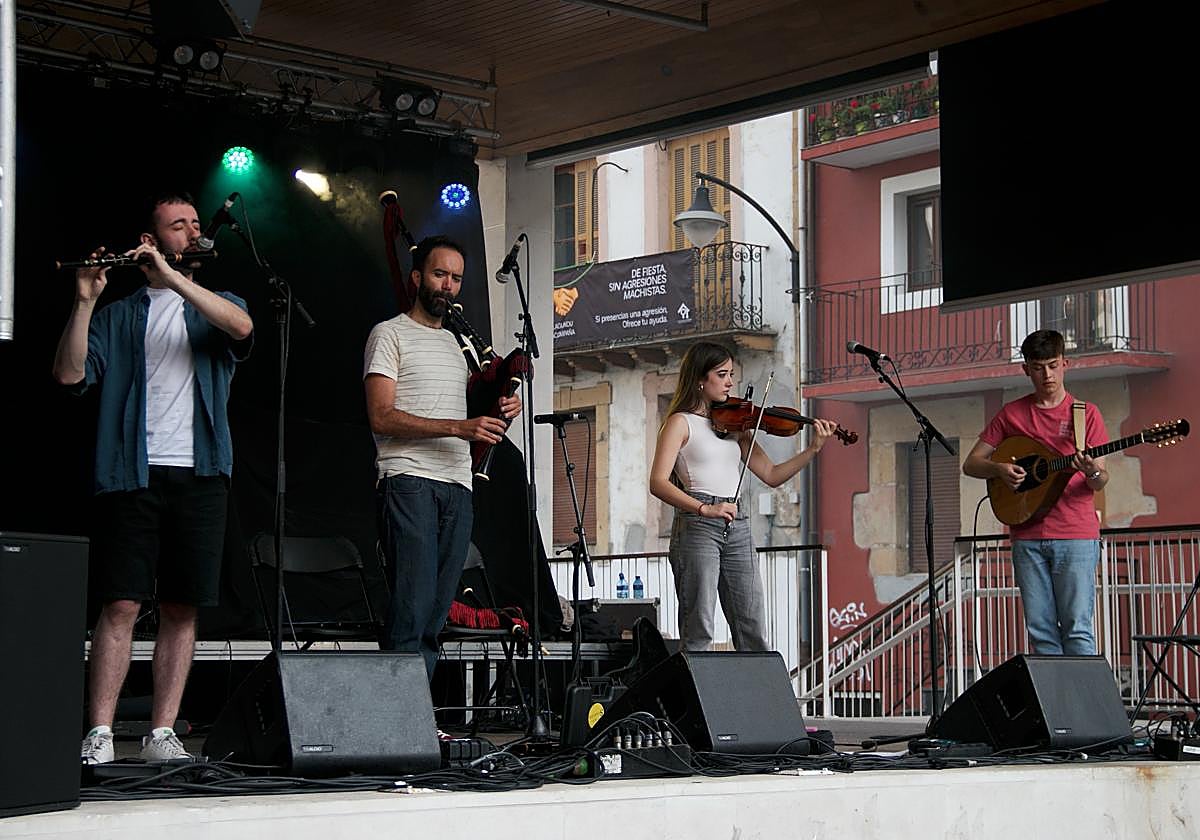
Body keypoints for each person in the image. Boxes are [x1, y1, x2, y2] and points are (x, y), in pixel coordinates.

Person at [54, 191, 254, 765]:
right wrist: (85, 301)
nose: (193, 232)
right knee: (120, 604)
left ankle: (162, 733)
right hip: (130, 474)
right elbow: (68, 375)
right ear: (150, 239)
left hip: (201, 472)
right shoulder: (120, 315)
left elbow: (241, 327)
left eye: (195, 223)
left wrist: (173, 279)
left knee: (182, 606)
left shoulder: (218, 302)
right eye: (177, 225)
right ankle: (99, 731)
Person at [364, 234, 521, 678]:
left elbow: (471, 408)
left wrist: (504, 408)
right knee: (411, 608)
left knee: (435, 616)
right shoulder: (389, 334)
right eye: (439, 274)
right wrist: (460, 428)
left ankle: (416, 709)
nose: (448, 285)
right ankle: (397, 713)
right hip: (408, 479)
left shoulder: (459, 346)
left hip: (458, 485)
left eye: (456, 278)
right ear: (417, 278)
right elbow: (381, 416)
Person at [649, 341, 836, 651]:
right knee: (699, 628)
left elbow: (772, 474)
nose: (729, 382)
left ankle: (757, 683)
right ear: (700, 379)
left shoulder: (734, 426)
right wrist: (703, 508)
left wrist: (814, 449)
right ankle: (697, 684)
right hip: (698, 525)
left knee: (752, 625)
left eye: (731, 375)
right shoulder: (679, 423)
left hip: (737, 523)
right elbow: (657, 482)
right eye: (721, 375)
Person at [963, 329, 1108, 655]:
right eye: (1039, 368)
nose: (1048, 375)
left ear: (1065, 363)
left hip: (1075, 534)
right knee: (1041, 633)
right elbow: (971, 463)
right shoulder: (1012, 414)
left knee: (1077, 629)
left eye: (1054, 366)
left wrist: (1092, 471)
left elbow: (1099, 480)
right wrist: (1000, 469)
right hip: (1026, 533)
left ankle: (1081, 692)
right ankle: (1051, 692)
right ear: (1026, 369)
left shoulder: (1086, 415)